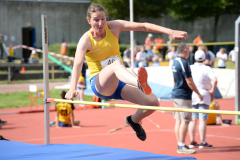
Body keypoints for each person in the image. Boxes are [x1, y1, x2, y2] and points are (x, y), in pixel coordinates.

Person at [65, 3, 188, 141]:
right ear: (89, 21)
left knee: (153, 103)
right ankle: (138, 82)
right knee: (116, 64)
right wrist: (72, 88)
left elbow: (144, 26)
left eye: (103, 19)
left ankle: (133, 120)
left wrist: (170, 32)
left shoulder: (114, 26)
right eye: (96, 20)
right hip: (100, 84)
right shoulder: (85, 40)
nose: (100, 23)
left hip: (120, 81)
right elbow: (77, 64)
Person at [172, 42, 203, 154]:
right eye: (188, 49)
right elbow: (189, 80)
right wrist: (198, 93)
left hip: (176, 94)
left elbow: (174, 79)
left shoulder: (175, 61)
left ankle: (180, 144)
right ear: (185, 50)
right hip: (183, 95)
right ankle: (181, 146)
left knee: (179, 120)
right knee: (185, 121)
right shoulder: (184, 62)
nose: (189, 52)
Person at [188, 50, 218, 149]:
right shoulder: (207, 68)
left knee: (192, 119)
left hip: (192, 95)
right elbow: (215, 79)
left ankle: (192, 141)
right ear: (205, 58)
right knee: (202, 120)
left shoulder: (190, 67)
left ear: (195, 58)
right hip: (204, 95)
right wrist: (212, 91)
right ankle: (203, 142)